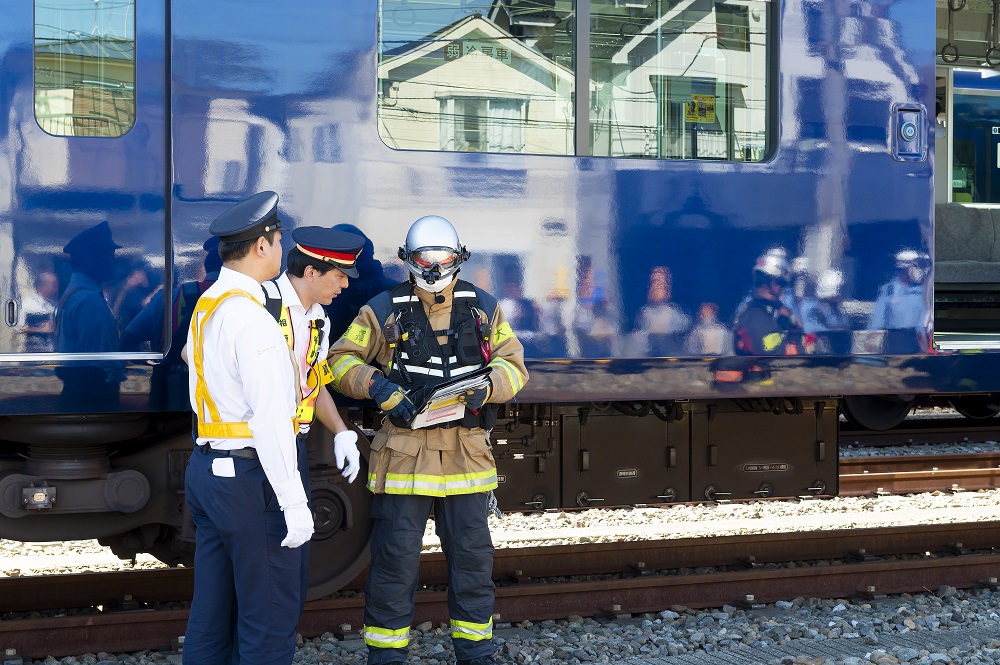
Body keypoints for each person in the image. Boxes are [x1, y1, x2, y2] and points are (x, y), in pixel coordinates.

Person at [327, 214, 528, 665]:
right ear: (408, 259)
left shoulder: (483, 308)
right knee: (394, 566)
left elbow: (515, 365)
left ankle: (476, 654)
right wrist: (379, 389)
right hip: (404, 457)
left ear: (459, 258)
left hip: (467, 456)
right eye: (426, 258)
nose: (435, 267)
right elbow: (340, 362)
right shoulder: (382, 309)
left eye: (445, 258)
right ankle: (386, 657)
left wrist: (488, 387)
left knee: (474, 564)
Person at [182, 191, 312, 665]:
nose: (282, 251)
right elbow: (271, 420)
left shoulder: (208, 305)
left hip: (208, 472)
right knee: (270, 622)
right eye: (280, 241)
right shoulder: (254, 321)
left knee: (211, 618)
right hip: (247, 481)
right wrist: (294, 504)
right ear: (263, 245)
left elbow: (191, 366)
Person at [261, 225, 364, 604]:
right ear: (310, 272)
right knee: (270, 561)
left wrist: (341, 432)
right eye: (339, 276)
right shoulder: (261, 303)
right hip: (260, 451)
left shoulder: (319, 319)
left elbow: (312, 384)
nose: (345, 285)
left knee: (292, 565)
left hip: (294, 448)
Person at [55, 221, 124, 409]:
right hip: (92, 395)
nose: (114, 261)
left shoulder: (75, 294)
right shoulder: (89, 300)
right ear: (90, 259)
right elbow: (104, 360)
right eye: (109, 255)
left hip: (79, 391)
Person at [868, 249, 932, 355]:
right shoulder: (889, 290)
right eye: (915, 266)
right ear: (904, 267)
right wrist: (871, 345)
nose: (918, 270)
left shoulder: (921, 291)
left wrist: (924, 347)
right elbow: (877, 321)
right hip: (894, 340)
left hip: (915, 342)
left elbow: (922, 323)